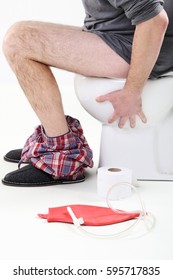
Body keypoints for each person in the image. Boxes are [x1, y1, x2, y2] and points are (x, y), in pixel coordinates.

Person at [2, 0, 172, 186]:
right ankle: (54, 145)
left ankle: (62, 157)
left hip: (142, 47)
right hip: (121, 37)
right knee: (21, 32)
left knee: (18, 42)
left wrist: (133, 90)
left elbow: (155, 21)